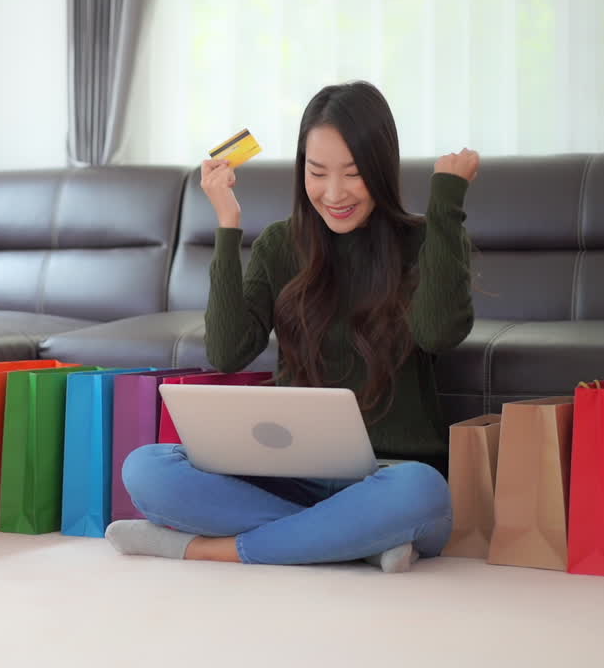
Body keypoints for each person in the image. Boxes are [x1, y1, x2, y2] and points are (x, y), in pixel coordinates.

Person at [106, 81, 477, 572]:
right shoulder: (281, 244)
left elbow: (439, 332)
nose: (334, 193)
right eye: (317, 173)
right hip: (290, 477)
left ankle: (213, 549)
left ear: (382, 169)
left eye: (353, 174)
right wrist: (227, 224)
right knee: (146, 469)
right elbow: (227, 351)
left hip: (389, 477)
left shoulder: (426, 239)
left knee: (422, 491)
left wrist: (447, 202)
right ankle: (355, 539)